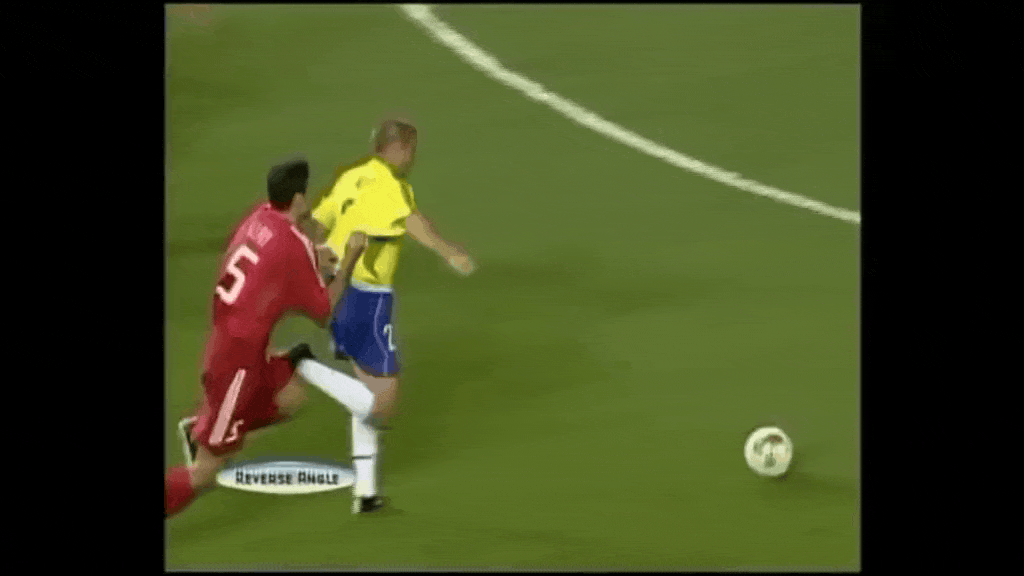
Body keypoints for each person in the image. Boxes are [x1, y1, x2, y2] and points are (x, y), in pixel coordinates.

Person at [166, 158, 368, 518]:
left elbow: (277, 259)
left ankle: (204, 425)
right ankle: (205, 431)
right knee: (206, 473)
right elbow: (323, 312)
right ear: (298, 198)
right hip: (236, 364)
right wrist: (350, 258)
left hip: (235, 343)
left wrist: (313, 259)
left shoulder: (260, 217)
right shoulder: (294, 245)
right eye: (305, 191)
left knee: (291, 398)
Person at [300, 118, 476, 513]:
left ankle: (365, 491)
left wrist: (317, 264)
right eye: (411, 151)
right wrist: (449, 251)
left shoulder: (351, 176)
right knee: (381, 403)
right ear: (398, 149)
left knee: (367, 390)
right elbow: (411, 221)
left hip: (339, 287)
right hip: (366, 297)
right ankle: (303, 364)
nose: (413, 159)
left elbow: (317, 223)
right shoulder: (388, 185)